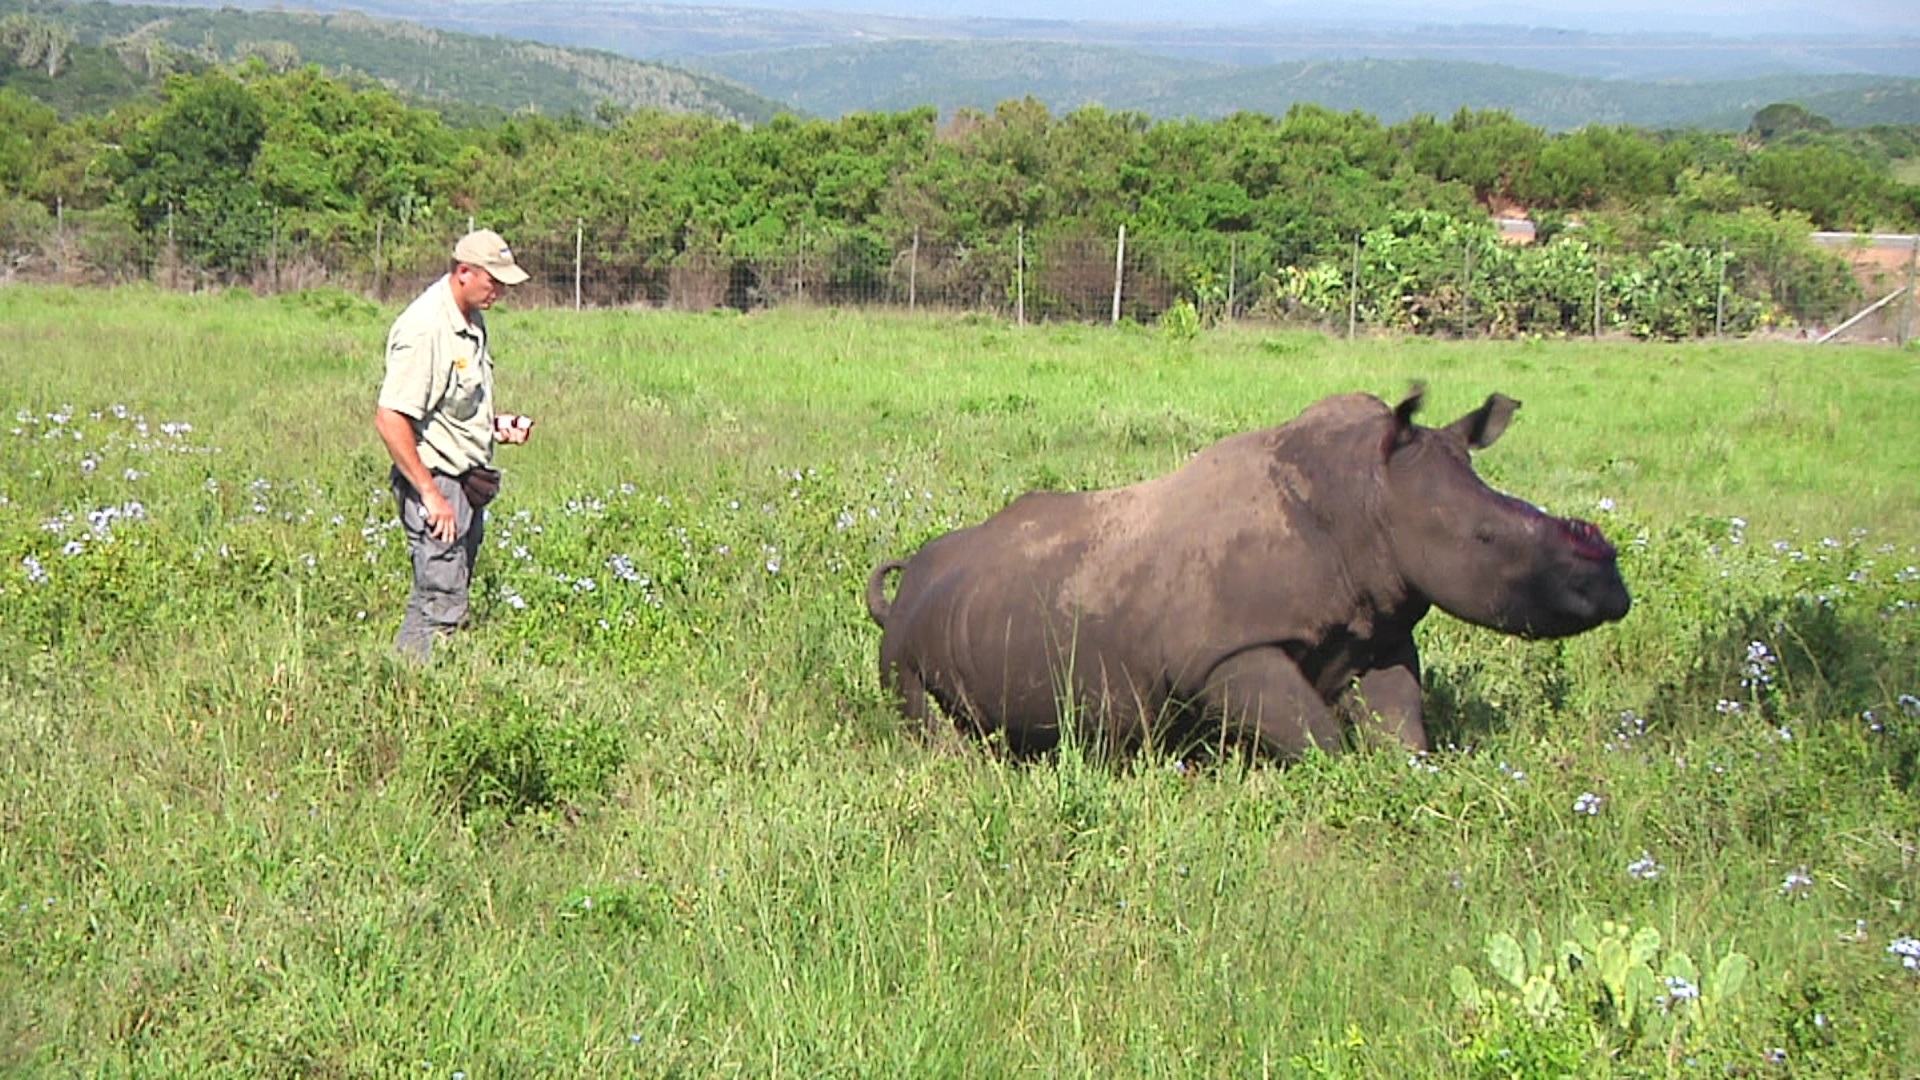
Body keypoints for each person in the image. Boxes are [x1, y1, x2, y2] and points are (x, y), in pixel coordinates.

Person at [375, 228, 534, 660]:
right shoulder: (425, 328)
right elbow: (391, 418)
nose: (499, 291)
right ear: (464, 272)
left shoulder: (469, 318)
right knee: (441, 601)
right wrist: (430, 494)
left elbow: (449, 405)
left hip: (465, 480)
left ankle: (411, 681)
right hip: (438, 482)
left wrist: (494, 426)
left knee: (445, 589)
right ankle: (416, 695)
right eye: (493, 280)